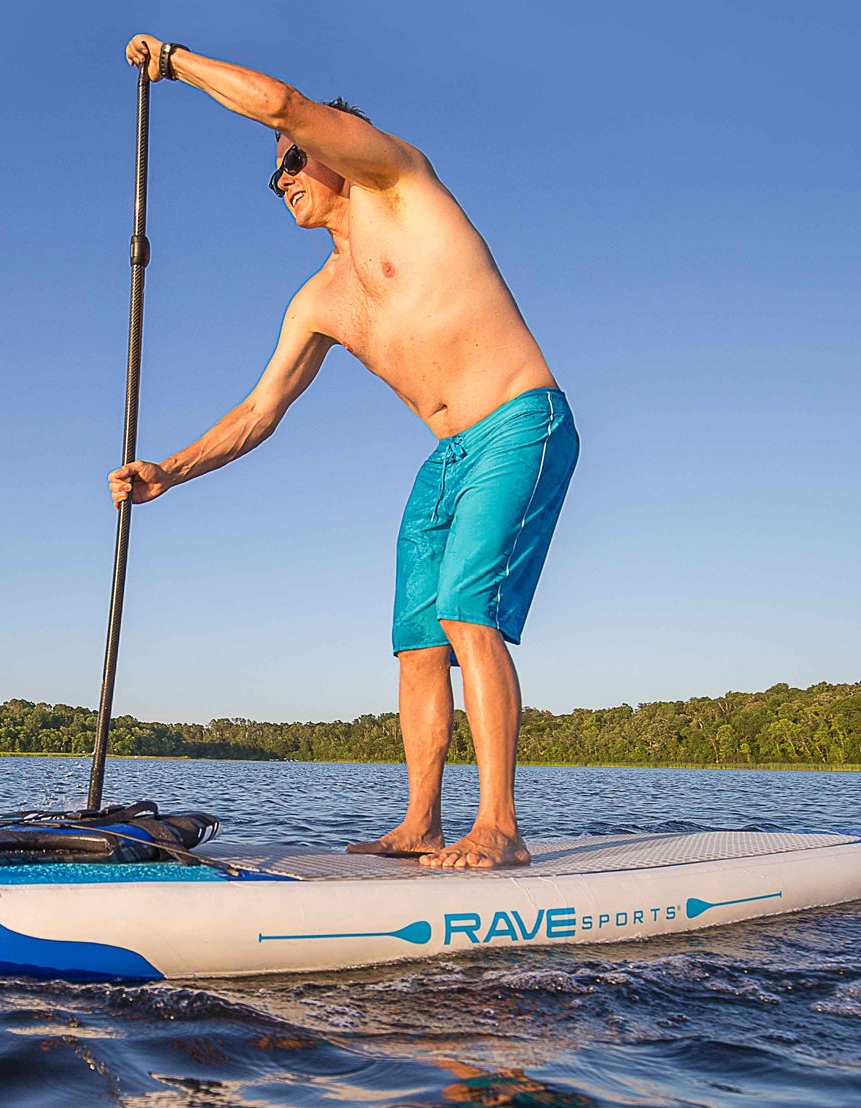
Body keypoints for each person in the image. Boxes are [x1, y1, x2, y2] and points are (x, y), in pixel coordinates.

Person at [110, 37, 579, 869]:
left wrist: (175, 64)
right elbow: (260, 411)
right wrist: (167, 472)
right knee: (415, 644)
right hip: (447, 458)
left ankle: (500, 826)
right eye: (274, 174)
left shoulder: (399, 181)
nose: (281, 179)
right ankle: (421, 823)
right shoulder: (321, 298)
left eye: (290, 163)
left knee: (469, 610)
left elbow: (285, 106)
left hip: (518, 422)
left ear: (334, 146)